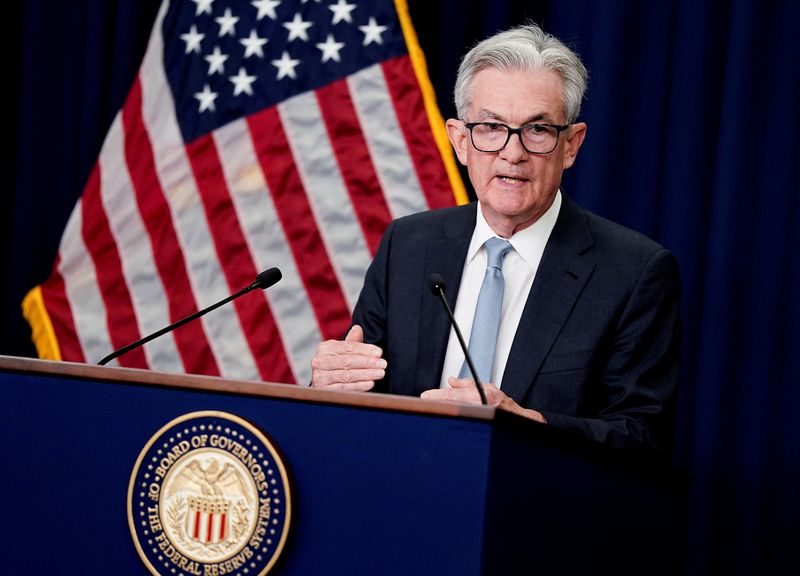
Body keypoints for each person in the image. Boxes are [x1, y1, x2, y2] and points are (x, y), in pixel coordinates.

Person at [311, 23, 680, 457]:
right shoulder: (408, 244)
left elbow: (642, 438)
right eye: (491, 127)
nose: (512, 152)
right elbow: (359, 389)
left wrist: (525, 427)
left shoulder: (633, 272)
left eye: (537, 130)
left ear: (571, 145)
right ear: (461, 141)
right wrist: (329, 382)